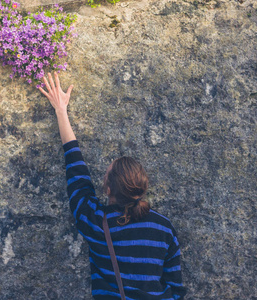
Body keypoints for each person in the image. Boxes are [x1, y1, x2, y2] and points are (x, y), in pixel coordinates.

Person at [39, 72, 187, 300]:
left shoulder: (96, 222)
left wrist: (61, 111)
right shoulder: (163, 228)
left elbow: (76, 171)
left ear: (108, 190)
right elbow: (175, 287)